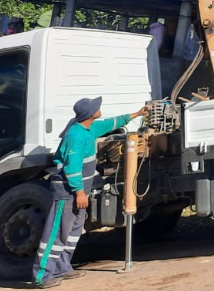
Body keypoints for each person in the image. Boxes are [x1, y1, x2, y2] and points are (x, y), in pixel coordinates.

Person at [32, 97, 148, 288]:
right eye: (96, 107)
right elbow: (72, 168)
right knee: (57, 232)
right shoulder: (76, 136)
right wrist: (79, 192)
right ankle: (42, 275)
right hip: (67, 192)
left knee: (73, 231)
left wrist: (138, 113)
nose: (99, 108)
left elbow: (113, 122)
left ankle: (62, 267)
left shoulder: (89, 128)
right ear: (88, 114)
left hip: (79, 192)